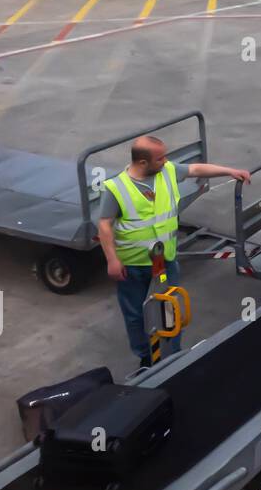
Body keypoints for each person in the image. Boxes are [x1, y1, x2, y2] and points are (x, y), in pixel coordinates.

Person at [97, 135, 251, 367]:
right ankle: (146, 357)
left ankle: (172, 355)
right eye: (160, 158)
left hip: (165, 260)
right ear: (142, 163)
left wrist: (230, 171)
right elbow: (104, 225)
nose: (166, 161)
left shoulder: (167, 170)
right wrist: (112, 260)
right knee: (137, 314)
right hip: (134, 264)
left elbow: (196, 169)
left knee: (169, 308)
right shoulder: (116, 188)